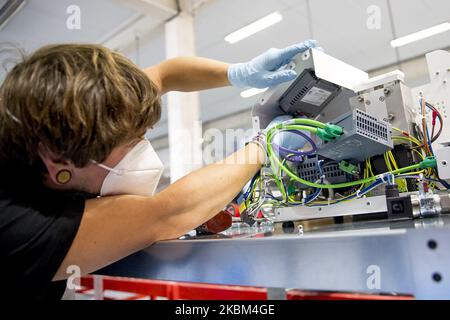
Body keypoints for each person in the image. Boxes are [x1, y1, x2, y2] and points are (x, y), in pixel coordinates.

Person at [0, 40, 317, 299]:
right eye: (129, 142)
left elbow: (166, 74)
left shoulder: (86, 110)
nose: (142, 148)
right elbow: (167, 214)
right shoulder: (18, 222)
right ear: (60, 165)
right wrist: (263, 144)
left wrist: (239, 72)